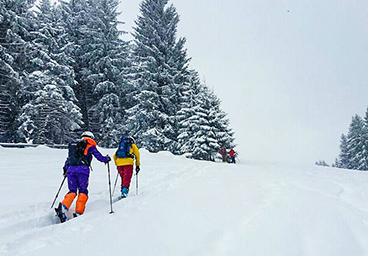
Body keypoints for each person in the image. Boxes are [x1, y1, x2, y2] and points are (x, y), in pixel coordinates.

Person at [56, 131, 110, 222]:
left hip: (71, 171)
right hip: (83, 171)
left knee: (72, 190)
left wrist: (66, 169)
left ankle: (64, 207)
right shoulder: (90, 145)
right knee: (83, 190)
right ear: (91, 138)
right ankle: (78, 212)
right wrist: (106, 159)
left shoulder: (74, 145)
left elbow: (69, 159)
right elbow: (99, 157)